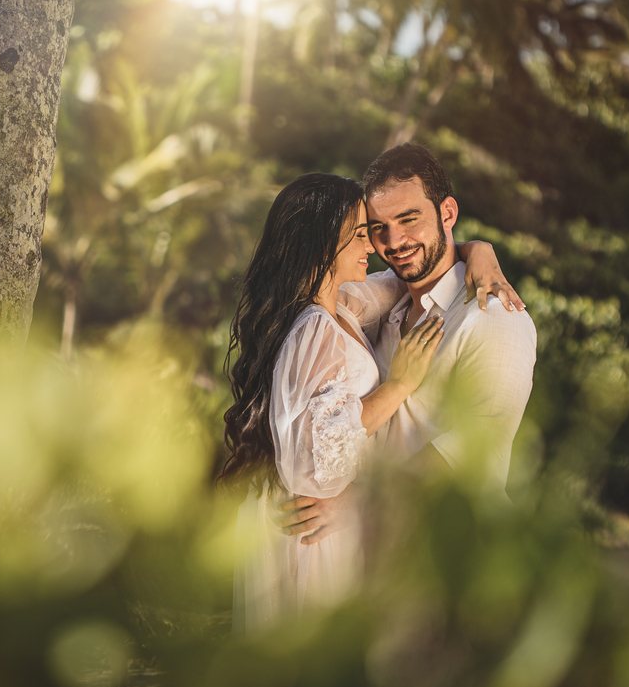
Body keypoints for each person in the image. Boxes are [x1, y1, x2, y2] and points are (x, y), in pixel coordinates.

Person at [218, 172, 521, 634]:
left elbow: (410, 274)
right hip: (315, 522)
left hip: (341, 526)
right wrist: (398, 386)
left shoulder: (343, 304)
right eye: (364, 233)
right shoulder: (313, 325)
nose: (377, 246)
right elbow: (311, 461)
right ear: (324, 246)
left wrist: (476, 250)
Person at [277, 143, 537, 545]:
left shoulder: (497, 317)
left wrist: (357, 500)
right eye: (377, 227)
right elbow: (316, 289)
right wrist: (476, 249)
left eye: (408, 219)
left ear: (447, 213)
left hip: (447, 549)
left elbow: (475, 451)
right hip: (372, 551)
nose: (394, 241)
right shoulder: (388, 297)